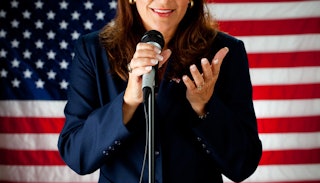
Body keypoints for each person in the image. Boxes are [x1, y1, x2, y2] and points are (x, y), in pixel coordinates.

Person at [57, 0, 262, 182]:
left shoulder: (225, 52)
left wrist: (203, 107)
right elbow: (77, 155)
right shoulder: (92, 50)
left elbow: (243, 165)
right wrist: (128, 103)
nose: (164, 1)